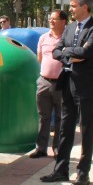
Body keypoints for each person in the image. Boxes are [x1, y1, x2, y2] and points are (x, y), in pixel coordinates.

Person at [40, 0, 93, 185]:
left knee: (86, 128)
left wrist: (69, 52)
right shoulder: (69, 28)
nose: (70, 9)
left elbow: (87, 52)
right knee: (65, 128)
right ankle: (61, 169)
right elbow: (56, 51)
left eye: (74, 6)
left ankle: (83, 173)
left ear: (85, 7)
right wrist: (71, 54)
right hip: (67, 82)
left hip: (86, 85)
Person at [29, 10, 68, 159]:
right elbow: (40, 58)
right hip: (44, 81)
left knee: (60, 117)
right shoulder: (43, 38)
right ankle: (41, 148)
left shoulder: (67, 38)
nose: (51, 21)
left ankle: (57, 148)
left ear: (63, 21)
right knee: (43, 116)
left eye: (54, 19)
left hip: (61, 83)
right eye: (50, 19)